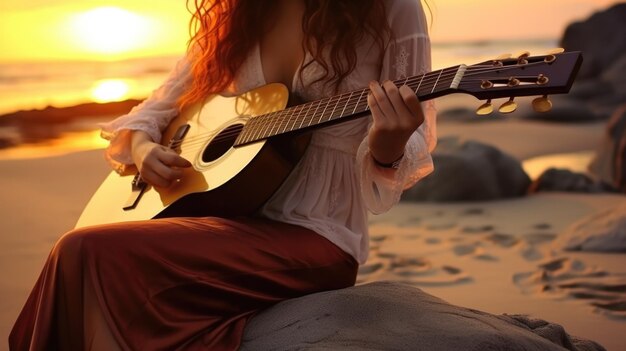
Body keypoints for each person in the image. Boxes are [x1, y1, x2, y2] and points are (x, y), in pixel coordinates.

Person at [9, 0, 436, 349]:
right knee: (80, 252)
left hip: (318, 234)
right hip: (227, 213)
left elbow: (411, 141)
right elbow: (159, 105)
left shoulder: (389, 8)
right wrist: (143, 148)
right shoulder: (236, 12)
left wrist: (387, 144)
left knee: (84, 249)